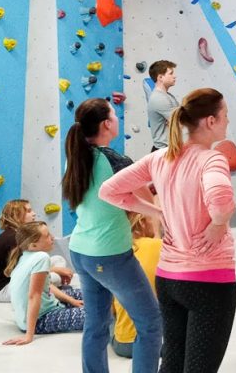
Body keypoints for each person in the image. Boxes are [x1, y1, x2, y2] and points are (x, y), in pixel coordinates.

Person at [101, 88, 236, 373]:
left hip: (169, 280)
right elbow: (221, 206)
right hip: (208, 281)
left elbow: (109, 191)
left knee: (172, 363)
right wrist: (218, 224)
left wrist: (155, 211)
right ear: (210, 121)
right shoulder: (212, 159)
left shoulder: (160, 158)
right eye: (225, 115)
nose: (227, 121)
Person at [63, 98, 162, 373]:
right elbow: (146, 199)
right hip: (109, 256)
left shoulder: (76, 159)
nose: (117, 119)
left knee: (96, 325)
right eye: (114, 115)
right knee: (150, 323)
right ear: (106, 124)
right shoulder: (115, 160)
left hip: (80, 251)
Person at [2, 221, 85, 345]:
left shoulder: (25, 255)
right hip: (39, 320)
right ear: (33, 245)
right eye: (47, 236)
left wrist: (71, 301)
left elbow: (47, 287)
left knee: (93, 294)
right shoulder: (41, 257)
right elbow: (34, 295)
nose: (52, 237)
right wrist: (29, 335)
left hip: (48, 306)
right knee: (100, 313)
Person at [0, 199, 75, 302]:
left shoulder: (18, 234)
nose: (34, 214)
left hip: (16, 280)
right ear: (17, 215)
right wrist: (57, 270)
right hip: (3, 290)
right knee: (55, 277)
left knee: (58, 259)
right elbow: (24, 271)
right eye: (29, 211)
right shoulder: (13, 238)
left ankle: (52, 287)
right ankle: (53, 289)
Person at [110, 213, 162, 359]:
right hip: (161, 342)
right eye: (152, 220)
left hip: (125, 345)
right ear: (143, 222)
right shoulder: (160, 246)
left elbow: (110, 308)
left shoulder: (114, 252)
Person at [148, 60, 179, 152]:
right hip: (162, 151)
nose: (174, 76)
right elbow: (180, 121)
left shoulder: (169, 96)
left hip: (168, 149)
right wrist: (175, 121)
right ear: (160, 77)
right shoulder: (159, 98)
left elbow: (179, 118)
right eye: (171, 73)